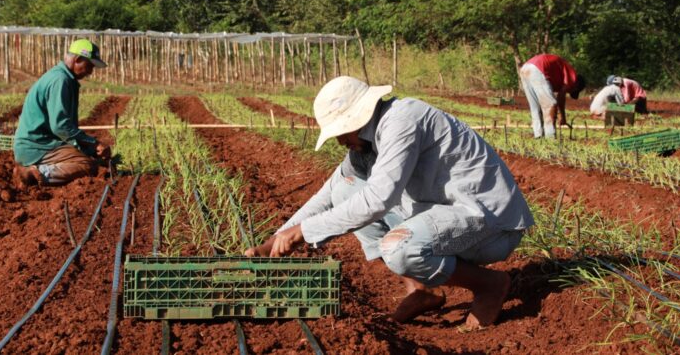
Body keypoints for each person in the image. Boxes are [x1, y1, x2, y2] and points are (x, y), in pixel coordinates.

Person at [245, 76, 534, 329]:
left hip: (487, 222)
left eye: (340, 132)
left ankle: (489, 285)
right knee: (346, 192)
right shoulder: (367, 142)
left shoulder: (402, 120)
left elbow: (377, 201)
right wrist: (274, 241)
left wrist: (304, 232)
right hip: (444, 213)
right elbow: (330, 193)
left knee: (399, 246)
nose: (339, 142)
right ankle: (421, 289)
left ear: (358, 118)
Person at [12, 39, 111, 187]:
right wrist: (93, 143)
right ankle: (35, 173)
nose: (90, 72)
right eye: (89, 66)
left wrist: (89, 147)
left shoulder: (63, 78)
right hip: (36, 146)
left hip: (43, 143)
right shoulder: (60, 80)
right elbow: (60, 127)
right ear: (77, 60)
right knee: (87, 165)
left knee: (89, 157)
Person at [519, 54, 586, 138]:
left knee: (535, 107)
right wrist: (563, 116)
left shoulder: (564, 73)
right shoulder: (573, 78)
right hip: (538, 68)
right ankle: (550, 136)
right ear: (576, 86)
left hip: (525, 68)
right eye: (572, 91)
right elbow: (561, 97)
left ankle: (538, 135)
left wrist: (562, 115)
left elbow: (561, 95)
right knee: (550, 105)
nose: (569, 92)